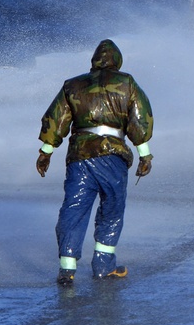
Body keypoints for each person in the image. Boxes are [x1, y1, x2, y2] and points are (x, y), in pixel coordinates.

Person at [36, 39, 154, 285]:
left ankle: (66, 269)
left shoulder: (73, 85)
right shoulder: (127, 83)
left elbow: (56, 120)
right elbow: (140, 120)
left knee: (74, 208)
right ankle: (104, 266)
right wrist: (145, 154)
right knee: (112, 208)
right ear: (117, 61)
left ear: (94, 61)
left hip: (80, 156)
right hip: (113, 156)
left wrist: (46, 152)